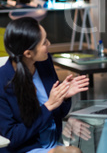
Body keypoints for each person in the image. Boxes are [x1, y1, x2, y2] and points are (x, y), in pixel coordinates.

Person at [0, 17, 89, 153]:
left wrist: (63, 97)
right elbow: (12, 137)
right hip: (25, 148)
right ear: (28, 53)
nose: (49, 43)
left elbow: (58, 114)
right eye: (44, 42)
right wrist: (48, 106)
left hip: (53, 142)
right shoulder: (2, 81)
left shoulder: (44, 63)